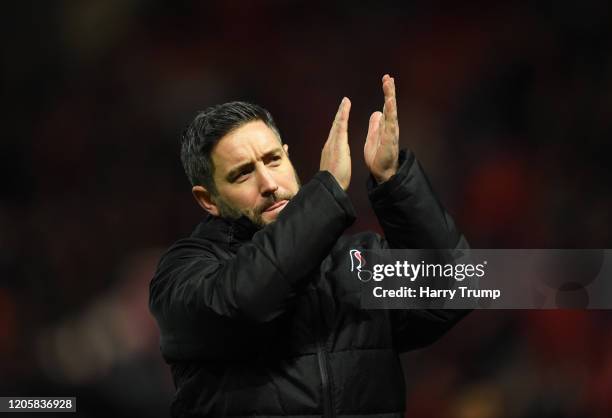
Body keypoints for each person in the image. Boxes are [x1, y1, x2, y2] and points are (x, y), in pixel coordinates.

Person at [149, 74, 470, 417]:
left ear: (288, 157)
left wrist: (394, 182)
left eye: (273, 160)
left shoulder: (355, 262)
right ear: (207, 199)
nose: (269, 183)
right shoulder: (183, 273)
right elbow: (245, 303)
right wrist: (326, 193)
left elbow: (459, 287)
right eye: (243, 173)